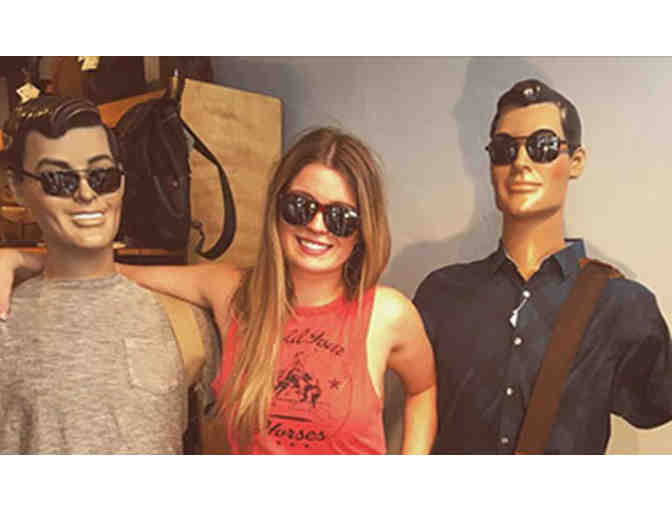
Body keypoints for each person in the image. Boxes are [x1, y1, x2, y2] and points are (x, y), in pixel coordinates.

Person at [2, 127, 437, 454]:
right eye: (301, 206)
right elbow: (111, 268)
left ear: (363, 230)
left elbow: (422, 390)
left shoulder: (387, 314)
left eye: (341, 217)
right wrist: (21, 259)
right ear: (277, 208)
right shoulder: (231, 291)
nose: (317, 226)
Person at [413, 78, 672, 454]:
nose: (521, 163)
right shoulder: (441, 295)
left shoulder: (622, 306)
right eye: (504, 149)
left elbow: (654, 407)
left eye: (543, 147)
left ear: (575, 162)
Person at [0, 95, 218, 454]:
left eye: (103, 176)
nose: (86, 194)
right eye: (58, 179)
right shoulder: (9, 319)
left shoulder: (185, 322)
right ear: (17, 188)